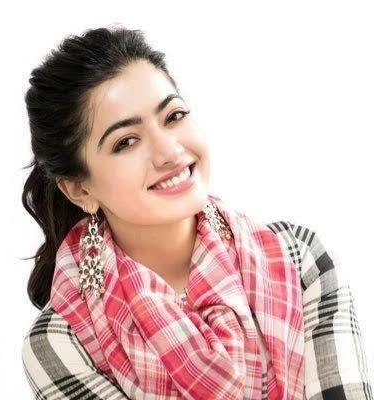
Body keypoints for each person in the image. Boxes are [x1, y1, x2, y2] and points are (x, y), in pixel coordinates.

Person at [21, 26, 373, 399]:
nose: (170, 152)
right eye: (126, 142)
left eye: (173, 116)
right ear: (80, 189)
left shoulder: (297, 259)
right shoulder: (60, 341)